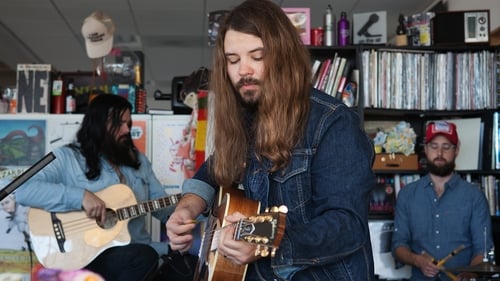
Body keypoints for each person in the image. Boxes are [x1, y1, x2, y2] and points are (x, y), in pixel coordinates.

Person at [166, 0, 376, 280]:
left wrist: (267, 240)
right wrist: (188, 206)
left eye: (257, 56)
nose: (244, 70)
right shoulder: (244, 120)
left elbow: (348, 226)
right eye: (233, 60)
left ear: (282, 56)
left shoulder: (333, 122)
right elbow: (215, 170)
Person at [16, 94, 174, 281]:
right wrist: (81, 197)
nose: (126, 130)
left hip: (138, 255)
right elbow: (23, 188)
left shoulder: (138, 161)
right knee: (143, 257)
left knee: (189, 267)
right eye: (119, 124)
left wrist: (195, 204)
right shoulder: (66, 157)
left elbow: (164, 209)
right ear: (98, 125)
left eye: (128, 124)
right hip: (85, 257)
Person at [392, 121, 494, 281]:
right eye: (434, 146)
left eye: (446, 147)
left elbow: (483, 250)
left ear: (457, 150)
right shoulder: (407, 195)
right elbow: (398, 246)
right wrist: (417, 260)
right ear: (425, 149)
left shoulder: (475, 197)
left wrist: (470, 273)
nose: (439, 153)